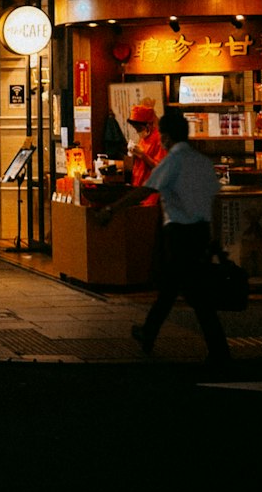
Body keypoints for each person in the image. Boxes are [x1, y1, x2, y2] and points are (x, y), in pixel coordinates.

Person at [99, 106, 230, 366]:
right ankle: (150, 333)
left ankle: (218, 350)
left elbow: (145, 190)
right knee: (175, 289)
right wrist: (215, 237)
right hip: (200, 232)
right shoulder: (200, 161)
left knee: (188, 293)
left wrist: (112, 209)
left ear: (167, 136)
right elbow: (213, 199)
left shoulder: (173, 161)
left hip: (179, 234)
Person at [126, 102, 164, 202]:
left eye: (139, 128)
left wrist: (143, 155)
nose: (137, 131)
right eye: (135, 128)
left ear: (148, 125)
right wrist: (132, 154)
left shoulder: (159, 140)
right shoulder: (143, 139)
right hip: (138, 186)